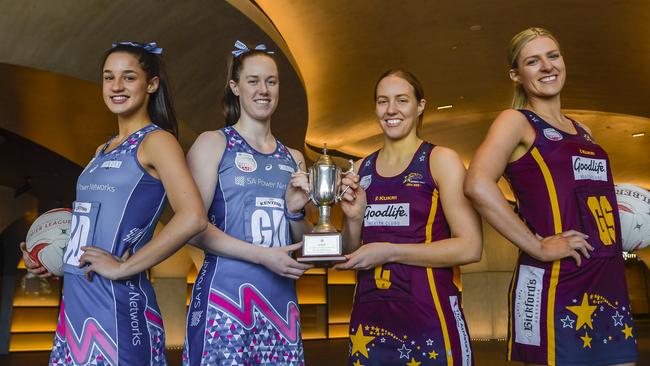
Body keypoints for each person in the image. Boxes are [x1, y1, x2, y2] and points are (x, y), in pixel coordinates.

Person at [21, 41, 207, 365]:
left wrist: (125, 267)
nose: (116, 86)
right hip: (76, 306)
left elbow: (193, 217)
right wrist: (50, 256)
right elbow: (92, 228)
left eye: (128, 77)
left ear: (151, 84)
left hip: (119, 306)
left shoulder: (157, 141)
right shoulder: (102, 150)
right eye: (109, 77)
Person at [464, 27, 638, 365]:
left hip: (608, 282)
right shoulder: (515, 121)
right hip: (557, 281)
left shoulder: (584, 131)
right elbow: (477, 184)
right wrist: (537, 245)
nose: (547, 66)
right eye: (533, 61)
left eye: (552, 56)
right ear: (516, 75)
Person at [335, 70, 482, 366]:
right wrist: (353, 219)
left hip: (429, 320)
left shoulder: (440, 160)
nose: (391, 110)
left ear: (420, 106)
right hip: (370, 325)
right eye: (382, 101)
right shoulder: (362, 168)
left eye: (402, 100)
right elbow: (349, 251)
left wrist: (391, 251)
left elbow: (470, 247)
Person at [183, 40, 313, 365]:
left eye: (271, 81)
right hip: (224, 302)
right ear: (235, 87)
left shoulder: (293, 158)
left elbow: (305, 240)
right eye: (253, 81)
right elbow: (193, 229)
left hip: (281, 306)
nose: (263, 90)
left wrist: (295, 212)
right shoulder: (213, 143)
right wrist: (263, 256)